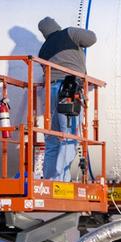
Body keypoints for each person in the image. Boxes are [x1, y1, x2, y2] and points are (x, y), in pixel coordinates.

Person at [37, 16, 97, 181]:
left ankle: (49, 180)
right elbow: (92, 38)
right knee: (69, 138)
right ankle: (60, 181)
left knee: (52, 139)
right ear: (56, 25)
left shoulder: (43, 50)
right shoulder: (69, 33)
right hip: (68, 89)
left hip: (49, 91)